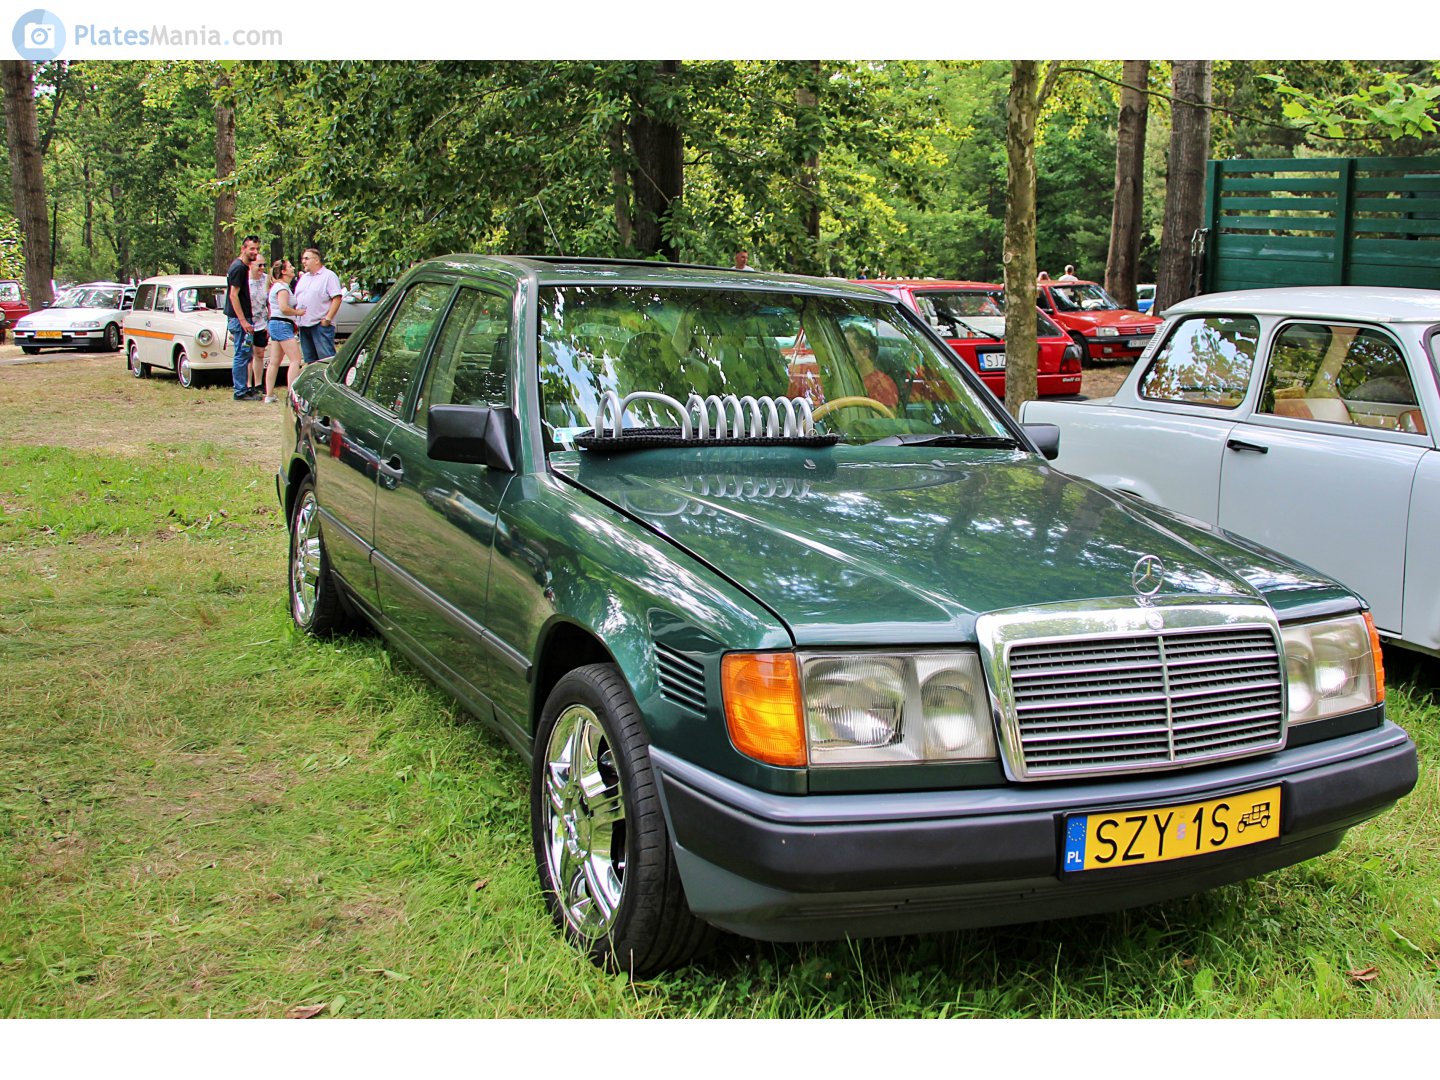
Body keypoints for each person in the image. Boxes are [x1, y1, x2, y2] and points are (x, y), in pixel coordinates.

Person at [262, 259, 306, 404]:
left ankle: (269, 394)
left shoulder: (278, 286)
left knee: (274, 361)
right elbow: (283, 308)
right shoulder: (282, 288)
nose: (293, 268)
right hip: (282, 324)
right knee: (295, 359)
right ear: (283, 271)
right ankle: (292, 394)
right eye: (290, 266)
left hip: (275, 324)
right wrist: (297, 312)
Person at [224, 234, 261, 400]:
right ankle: (239, 391)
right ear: (243, 249)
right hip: (239, 319)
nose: (255, 252)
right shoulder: (238, 268)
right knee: (241, 354)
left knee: (246, 353)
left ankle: (245, 388)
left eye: (257, 249)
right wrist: (243, 320)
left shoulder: (243, 267)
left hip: (242, 317)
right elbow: (233, 295)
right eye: (252, 248)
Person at [292, 247, 344, 365]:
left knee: (326, 360)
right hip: (304, 325)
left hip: (320, 325)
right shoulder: (304, 278)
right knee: (310, 362)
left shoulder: (328, 276)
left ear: (316, 260)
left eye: (306, 258)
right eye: (303, 259)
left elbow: (337, 298)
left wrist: (328, 319)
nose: (303, 261)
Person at [247, 256, 271, 393]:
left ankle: (258, 383)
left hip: (262, 321)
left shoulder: (267, 279)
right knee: (247, 353)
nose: (262, 268)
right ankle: (247, 384)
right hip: (247, 321)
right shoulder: (244, 280)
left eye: (264, 265)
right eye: (259, 265)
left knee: (259, 352)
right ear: (251, 265)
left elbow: (270, 302)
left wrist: (269, 321)